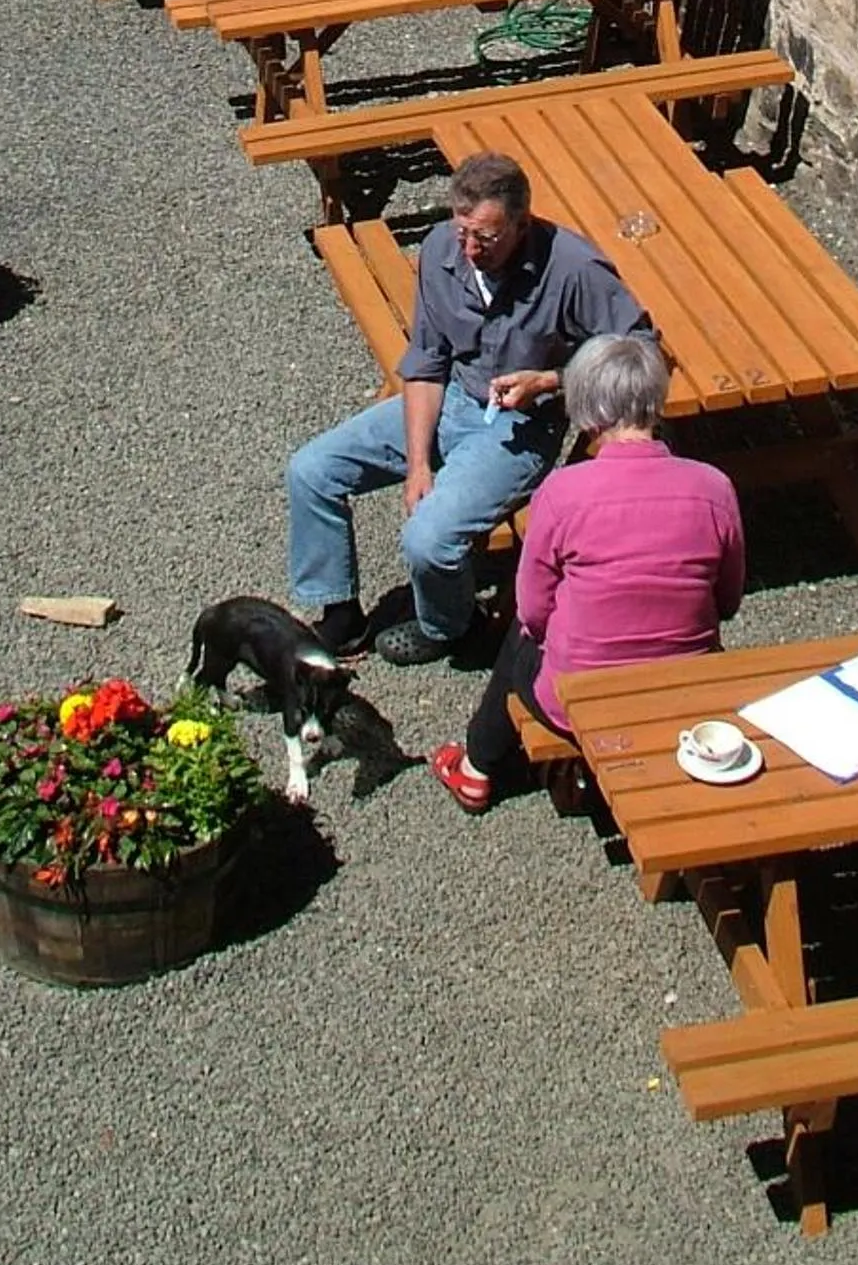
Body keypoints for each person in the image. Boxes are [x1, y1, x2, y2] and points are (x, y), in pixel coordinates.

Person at [287, 152, 652, 666]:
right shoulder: (441, 249)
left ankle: (450, 627)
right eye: (463, 233)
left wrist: (553, 379)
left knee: (428, 539)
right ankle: (341, 614)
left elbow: (641, 348)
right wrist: (418, 464)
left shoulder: (574, 268)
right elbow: (426, 363)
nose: (470, 248)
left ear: (521, 224)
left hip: (523, 423)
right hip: (453, 396)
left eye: (485, 237)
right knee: (312, 470)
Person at [428, 332, 744, 811]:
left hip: (580, 699)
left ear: (589, 410)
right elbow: (727, 601)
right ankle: (478, 761)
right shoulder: (714, 488)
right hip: (684, 685)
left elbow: (534, 612)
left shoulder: (563, 492)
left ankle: (477, 765)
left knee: (522, 634)